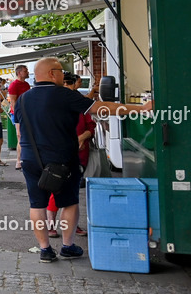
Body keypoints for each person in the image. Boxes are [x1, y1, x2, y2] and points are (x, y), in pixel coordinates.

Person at [17, 57, 150, 262]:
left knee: (37, 205)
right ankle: (67, 246)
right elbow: (102, 108)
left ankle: (45, 250)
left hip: (30, 158)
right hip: (61, 160)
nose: (64, 75)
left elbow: (20, 131)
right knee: (69, 202)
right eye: (61, 71)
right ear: (52, 73)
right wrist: (140, 109)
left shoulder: (23, 99)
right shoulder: (64, 95)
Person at [45, 72, 96, 237]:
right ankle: (51, 224)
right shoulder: (53, 103)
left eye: (69, 84)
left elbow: (91, 127)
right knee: (57, 189)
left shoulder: (79, 103)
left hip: (79, 155)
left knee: (72, 192)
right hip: (59, 154)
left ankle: (71, 224)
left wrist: (82, 137)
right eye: (64, 84)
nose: (66, 87)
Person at [8, 64, 31, 170]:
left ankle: (25, 158)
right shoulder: (13, 85)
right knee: (20, 136)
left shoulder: (26, 84)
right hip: (19, 114)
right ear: (19, 73)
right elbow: (13, 103)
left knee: (26, 136)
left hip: (27, 113)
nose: (27, 72)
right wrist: (18, 116)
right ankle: (18, 161)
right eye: (25, 71)